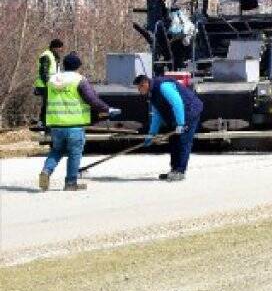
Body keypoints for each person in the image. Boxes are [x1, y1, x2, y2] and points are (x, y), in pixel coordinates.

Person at [39, 52, 119, 191]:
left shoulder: (52, 80)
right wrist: (108, 109)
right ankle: (70, 183)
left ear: (64, 65)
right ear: (77, 66)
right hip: (74, 125)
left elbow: (46, 102)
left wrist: (44, 121)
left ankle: (46, 171)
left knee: (56, 150)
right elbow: (92, 99)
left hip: (56, 124)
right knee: (74, 153)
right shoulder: (79, 80)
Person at [135, 73, 204, 182]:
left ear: (145, 84)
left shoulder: (163, 86)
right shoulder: (152, 94)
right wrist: (151, 134)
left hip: (190, 111)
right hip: (176, 115)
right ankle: (174, 170)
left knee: (183, 141)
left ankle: (180, 171)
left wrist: (180, 124)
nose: (139, 91)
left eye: (139, 88)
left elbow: (177, 103)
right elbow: (157, 114)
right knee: (173, 140)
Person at [33, 39, 64, 129]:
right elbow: (44, 72)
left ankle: (47, 121)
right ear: (55, 47)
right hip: (45, 85)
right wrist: (49, 83)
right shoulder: (46, 56)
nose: (61, 50)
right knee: (48, 103)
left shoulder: (54, 56)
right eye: (60, 48)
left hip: (50, 84)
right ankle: (42, 121)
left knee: (50, 103)